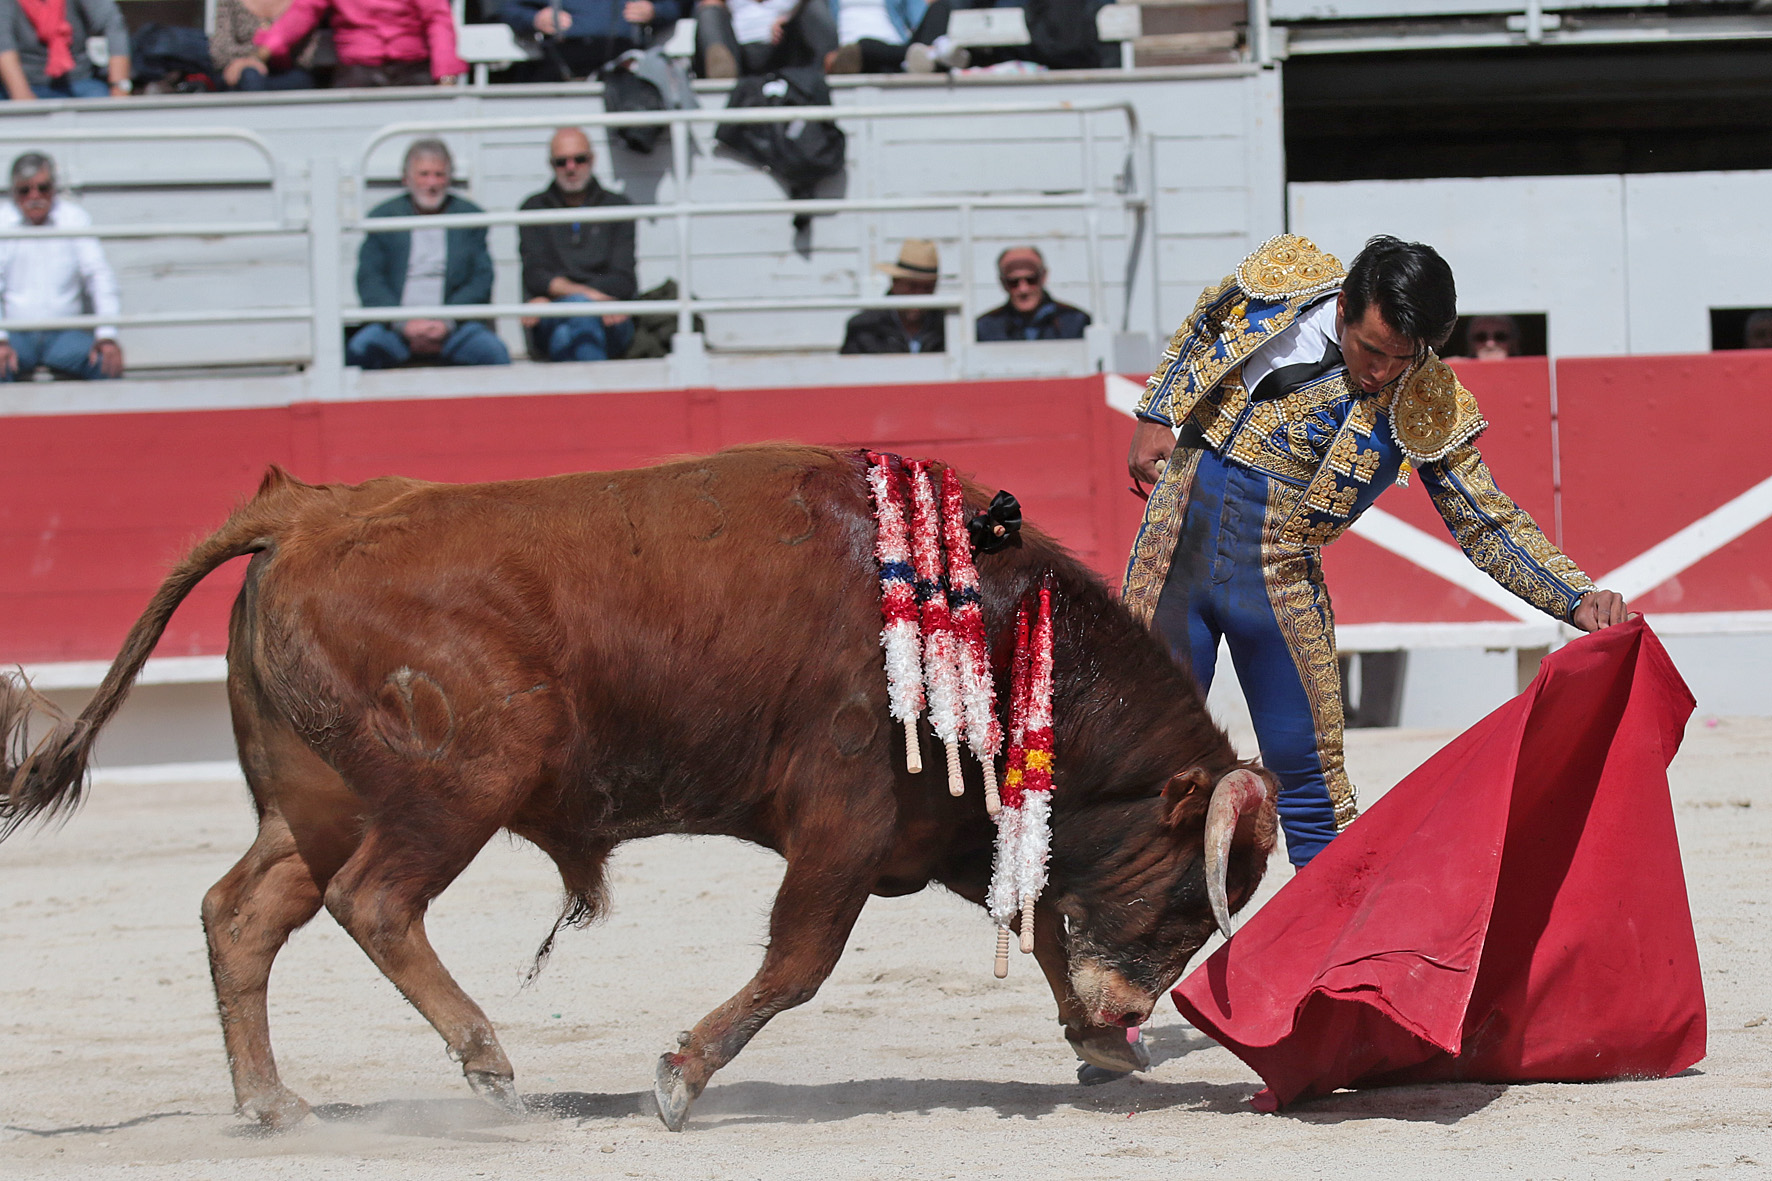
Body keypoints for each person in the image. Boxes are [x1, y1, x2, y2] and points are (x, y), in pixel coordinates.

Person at [1122, 234, 1628, 868]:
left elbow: (1485, 521)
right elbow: (1207, 319)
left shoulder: (1427, 399)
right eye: (1371, 349)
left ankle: (1329, 932)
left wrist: (1575, 598)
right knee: (1134, 756)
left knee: (1312, 788)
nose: (1382, 372)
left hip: (1275, 586)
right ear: (1343, 308)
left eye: (1402, 358)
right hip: (1169, 554)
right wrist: (1155, 412)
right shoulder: (1281, 283)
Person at [347, 139, 510, 370]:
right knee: (360, 351)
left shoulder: (470, 217)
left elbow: (481, 280)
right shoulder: (383, 218)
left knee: (494, 353)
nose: (431, 183)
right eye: (423, 174)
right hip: (395, 329)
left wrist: (446, 322)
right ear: (406, 178)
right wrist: (403, 323)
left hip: (455, 328)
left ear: (449, 178)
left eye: (439, 174)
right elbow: (370, 280)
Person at [517, 128, 638, 363]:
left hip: (610, 318)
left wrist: (562, 293)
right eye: (561, 162)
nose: (571, 167)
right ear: (551, 165)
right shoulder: (533, 208)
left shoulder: (617, 206)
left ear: (592, 159)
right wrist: (591, 298)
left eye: (579, 159)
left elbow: (623, 280)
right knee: (576, 317)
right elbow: (535, 275)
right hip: (563, 314)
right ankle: (597, 385)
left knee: (565, 336)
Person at [0, 152, 122, 381]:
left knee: (106, 364)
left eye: (43, 188)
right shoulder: (3, 222)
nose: (34, 196)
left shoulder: (73, 219)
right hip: (17, 335)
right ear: (14, 192)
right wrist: (1, 340)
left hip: (65, 335)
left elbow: (99, 276)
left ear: (54, 187)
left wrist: (107, 336)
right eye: (25, 190)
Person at [254, 0, 465, 87]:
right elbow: (305, 10)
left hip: (413, 68)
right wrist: (266, 50)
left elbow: (437, 19)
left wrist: (446, 76)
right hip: (357, 70)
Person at [497, 0, 681, 82]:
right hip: (562, 67)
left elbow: (675, 7)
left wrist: (654, 11)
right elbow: (509, 10)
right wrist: (535, 19)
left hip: (625, 70)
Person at [0, 0, 130, 100]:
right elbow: (3, 44)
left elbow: (114, 25)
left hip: (81, 81)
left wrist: (118, 88)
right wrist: (22, 97)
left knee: (103, 110)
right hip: (24, 83)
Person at [840, 237, 943, 354]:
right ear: (895, 282)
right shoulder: (864, 327)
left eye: (927, 287)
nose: (919, 294)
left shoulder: (946, 326)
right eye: (912, 286)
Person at [975, 245, 1090, 341]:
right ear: (1003, 282)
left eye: (1031, 280)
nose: (1023, 289)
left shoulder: (1076, 322)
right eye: (1013, 282)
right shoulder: (985, 328)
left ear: (1043, 277)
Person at [693, 0, 834, 78]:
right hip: (739, 51)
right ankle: (722, 73)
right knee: (708, 11)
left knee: (814, 5)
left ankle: (832, 63)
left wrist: (788, 18)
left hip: (787, 46)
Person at [210, 0, 318, 91]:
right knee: (249, 75)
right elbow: (220, 49)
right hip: (236, 72)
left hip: (289, 73)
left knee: (251, 78)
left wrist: (257, 57)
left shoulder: (304, 4)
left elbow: (305, 57)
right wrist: (246, 63)